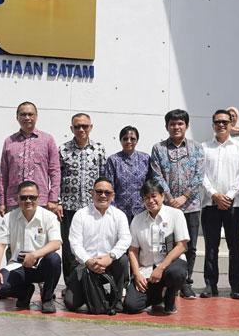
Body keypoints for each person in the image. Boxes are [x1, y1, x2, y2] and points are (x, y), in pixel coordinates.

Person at [149, 109, 205, 299]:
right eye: (172, 124)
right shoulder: (158, 149)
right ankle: (166, 281)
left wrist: (184, 197)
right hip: (167, 207)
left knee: (190, 246)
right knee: (165, 244)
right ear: (167, 126)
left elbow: (199, 175)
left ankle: (185, 282)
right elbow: (157, 175)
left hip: (191, 206)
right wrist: (170, 198)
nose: (176, 127)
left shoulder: (197, 148)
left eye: (180, 123)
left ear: (186, 126)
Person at [0, 181, 62, 313]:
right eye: (23, 197)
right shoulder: (9, 217)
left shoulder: (49, 217)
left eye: (32, 197)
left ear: (38, 198)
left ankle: (47, 299)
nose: (28, 201)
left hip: (41, 266)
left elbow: (56, 243)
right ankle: (25, 292)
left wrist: (35, 255)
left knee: (54, 259)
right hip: (18, 267)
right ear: (17, 199)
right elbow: (0, 244)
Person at [64, 178, 132, 312]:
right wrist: (88, 261)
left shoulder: (119, 215)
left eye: (107, 193)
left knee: (122, 259)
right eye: (99, 192)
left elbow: (125, 239)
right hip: (86, 265)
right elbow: (75, 244)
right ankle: (95, 294)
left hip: (110, 263)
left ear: (113, 195)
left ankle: (116, 298)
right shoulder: (80, 215)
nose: (103, 195)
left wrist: (110, 257)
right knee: (71, 303)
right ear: (92, 193)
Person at [200, 109, 239, 299]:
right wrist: (214, 195)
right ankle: (210, 285)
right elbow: (201, 175)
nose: (221, 125)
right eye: (218, 122)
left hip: (233, 205)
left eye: (225, 122)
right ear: (213, 125)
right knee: (211, 247)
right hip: (210, 204)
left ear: (231, 125)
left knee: (234, 247)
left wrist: (227, 196)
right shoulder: (204, 148)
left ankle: (236, 286)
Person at [124, 180, 189, 314]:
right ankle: (158, 296)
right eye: (146, 198)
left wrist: (161, 268)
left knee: (176, 273)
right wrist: (137, 274)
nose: (151, 201)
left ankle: (170, 296)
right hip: (147, 270)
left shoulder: (176, 214)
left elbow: (182, 246)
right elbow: (133, 250)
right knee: (131, 306)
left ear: (162, 196)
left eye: (154, 196)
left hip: (169, 266)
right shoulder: (137, 220)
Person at [58, 113, 107, 286]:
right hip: (68, 207)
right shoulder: (63, 150)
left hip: (91, 208)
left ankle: (91, 283)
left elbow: (103, 177)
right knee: (69, 247)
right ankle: (71, 285)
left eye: (84, 126)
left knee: (91, 245)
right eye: (77, 126)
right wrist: (57, 202)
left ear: (90, 127)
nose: (81, 129)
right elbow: (56, 177)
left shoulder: (99, 150)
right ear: (71, 128)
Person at [0, 101, 61, 217]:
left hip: (41, 201)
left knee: (39, 229)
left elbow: (55, 171)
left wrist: (53, 198)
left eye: (30, 114)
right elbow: (3, 174)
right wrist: (2, 202)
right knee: (14, 229)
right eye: (23, 114)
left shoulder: (47, 140)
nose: (27, 117)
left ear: (36, 116)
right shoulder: (9, 141)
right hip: (14, 201)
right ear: (17, 117)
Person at [102, 126, 150, 223]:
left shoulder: (145, 159)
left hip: (141, 209)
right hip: (119, 210)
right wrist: (112, 209)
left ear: (137, 141)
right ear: (120, 140)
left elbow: (149, 185)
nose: (129, 141)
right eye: (125, 139)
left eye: (132, 139)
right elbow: (109, 187)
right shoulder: (113, 160)